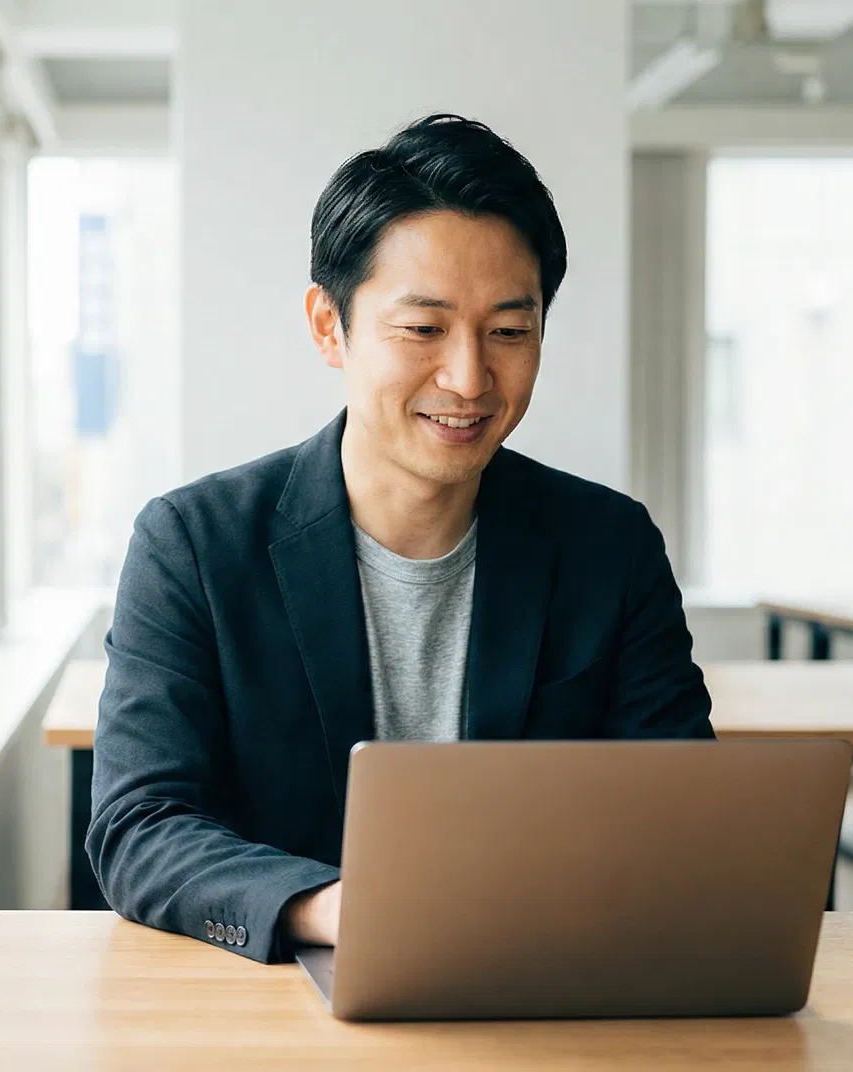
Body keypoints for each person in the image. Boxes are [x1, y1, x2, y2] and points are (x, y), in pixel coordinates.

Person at [87, 114, 713, 964]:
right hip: (274, 1014)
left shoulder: (610, 546)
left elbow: (681, 814)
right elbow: (140, 825)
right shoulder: (193, 545)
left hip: (539, 994)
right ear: (328, 326)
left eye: (509, 331)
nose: (469, 377)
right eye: (422, 329)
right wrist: (334, 907)